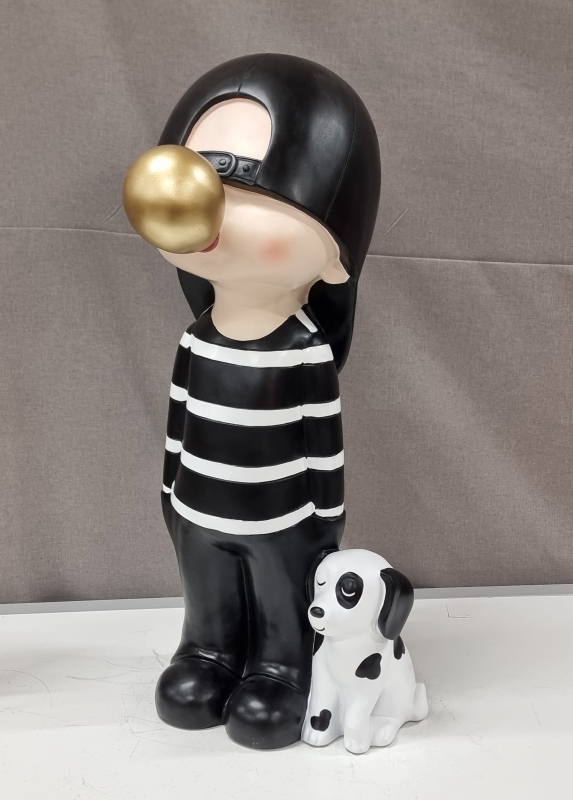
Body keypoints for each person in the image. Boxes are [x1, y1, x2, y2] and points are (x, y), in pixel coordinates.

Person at [141, 54, 380, 749]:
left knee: (281, 597)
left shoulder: (304, 353)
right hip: (197, 511)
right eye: (198, 184)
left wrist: (324, 525)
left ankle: (283, 667)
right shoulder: (195, 341)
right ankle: (207, 652)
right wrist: (170, 493)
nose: (209, 212)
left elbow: (324, 449)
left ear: (334, 255)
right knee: (207, 594)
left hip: (285, 522)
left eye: (246, 191)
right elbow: (179, 425)